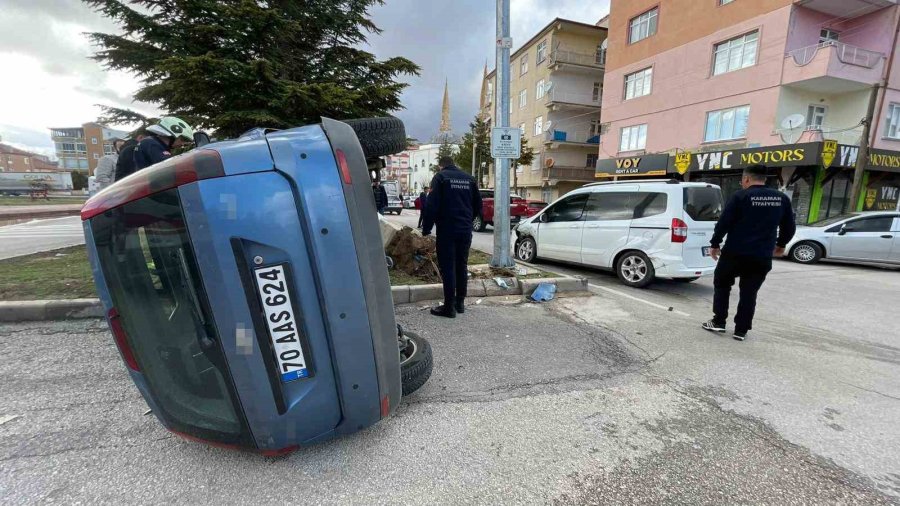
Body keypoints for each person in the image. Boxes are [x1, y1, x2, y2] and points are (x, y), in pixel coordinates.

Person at [702, 164, 796, 341]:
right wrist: (781, 243)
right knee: (749, 292)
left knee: (722, 285)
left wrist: (715, 243)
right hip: (761, 256)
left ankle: (719, 322)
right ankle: (741, 330)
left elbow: (724, 223)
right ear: (764, 179)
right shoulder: (781, 198)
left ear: (746, 179)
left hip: (734, 253)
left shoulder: (741, 196)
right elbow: (789, 226)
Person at [422, 156, 482, 318]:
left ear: (441, 166)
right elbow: (478, 205)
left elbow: (431, 205)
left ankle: (449, 307)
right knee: (461, 265)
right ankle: (459, 303)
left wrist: (426, 228)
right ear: (453, 164)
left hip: (447, 230)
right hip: (464, 230)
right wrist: (467, 220)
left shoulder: (440, 177)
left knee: (448, 267)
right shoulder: (469, 179)